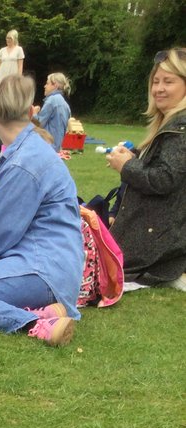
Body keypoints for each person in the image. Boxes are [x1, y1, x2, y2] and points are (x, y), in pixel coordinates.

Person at [0, 74, 84, 346]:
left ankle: (36, 323)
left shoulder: (23, 163)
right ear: (29, 112)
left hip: (43, 268)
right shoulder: (29, 150)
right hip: (45, 265)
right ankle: (45, 312)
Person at [106, 47, 186, 289]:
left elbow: (165, 178)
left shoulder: (181, 128)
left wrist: (127, 166)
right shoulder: (172, 124)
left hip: (158, 242)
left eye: (168, 81)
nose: (159, 88)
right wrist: (135, 158)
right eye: (156, 81)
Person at [34, 73, 72, 152]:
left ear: (55, 85)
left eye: (47, 83)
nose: (45, 86)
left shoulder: (51, 101)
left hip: (46, 146)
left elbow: (39, 124)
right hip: (56, 147)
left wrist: (34, 113)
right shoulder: (65, 105)